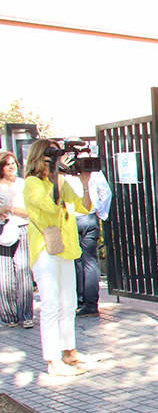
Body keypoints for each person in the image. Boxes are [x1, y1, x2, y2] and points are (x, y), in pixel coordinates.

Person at [23, 139, 93, 376]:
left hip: (66, 249)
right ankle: (53, 361)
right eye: (52, 155)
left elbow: (84, 207)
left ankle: (69, 351)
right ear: (41, 158)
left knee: (69, 303)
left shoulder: (60, 182)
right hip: (46, 250)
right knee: (51, 304)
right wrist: (56, 173)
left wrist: (84, 184)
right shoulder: (32, 184)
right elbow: (52, 207)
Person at [66, 170, 112, 316]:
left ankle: (80, 300)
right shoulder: (92, 170)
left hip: (73, 217)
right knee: (90, 261)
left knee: (78, 261)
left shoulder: (65, 172)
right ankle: (91, 303)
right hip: (89, 216)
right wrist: (100, 212)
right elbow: (106, 192)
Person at [0, 151, 34, 329]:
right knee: (4, 277)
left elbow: (30, 211)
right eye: (7, 164)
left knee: (23, 272)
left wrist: (11, 208)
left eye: (14, 163)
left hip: (22, 228)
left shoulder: (23, 185)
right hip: (2, 231)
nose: (12, 166)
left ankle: (26, 315)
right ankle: (8, 316)